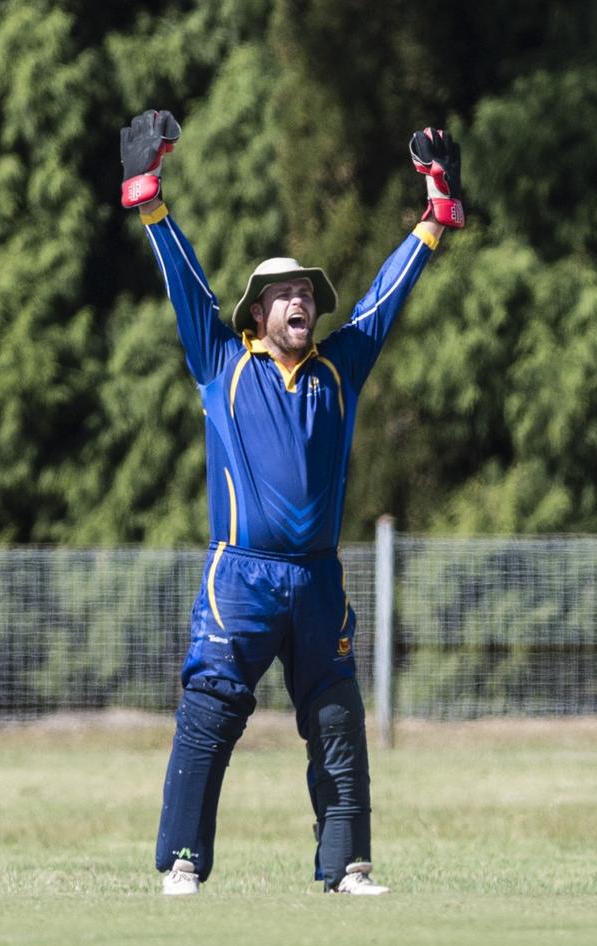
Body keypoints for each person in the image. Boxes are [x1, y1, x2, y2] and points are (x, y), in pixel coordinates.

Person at [119, 111, 464, 896]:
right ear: (258, 315)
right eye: (283, 294)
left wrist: (435, 221)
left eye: (307, 292)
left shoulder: (340, 370)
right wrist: (150, 201)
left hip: (315, 583)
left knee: (338, 721)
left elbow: (383, 297)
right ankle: (182, 862)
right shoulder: (222, 367)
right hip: (237, 580)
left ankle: (346, 864)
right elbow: (184, 282)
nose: (300, 300)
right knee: (209, 715)